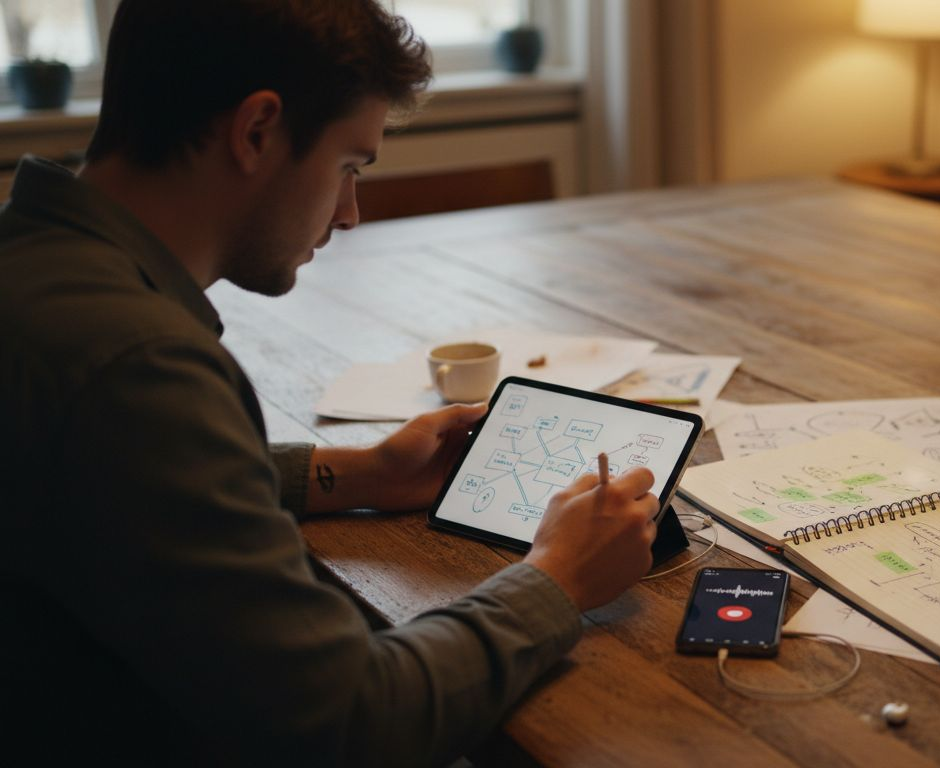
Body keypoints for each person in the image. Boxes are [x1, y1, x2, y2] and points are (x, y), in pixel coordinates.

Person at [0, 1, 660, 764]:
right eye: (349, 166)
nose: (348, 213)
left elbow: (116, 479)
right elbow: (352, 720)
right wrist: (557, 577)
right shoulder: (138, 367)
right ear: (257, 131)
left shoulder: (33, 265)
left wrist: (358, 472)